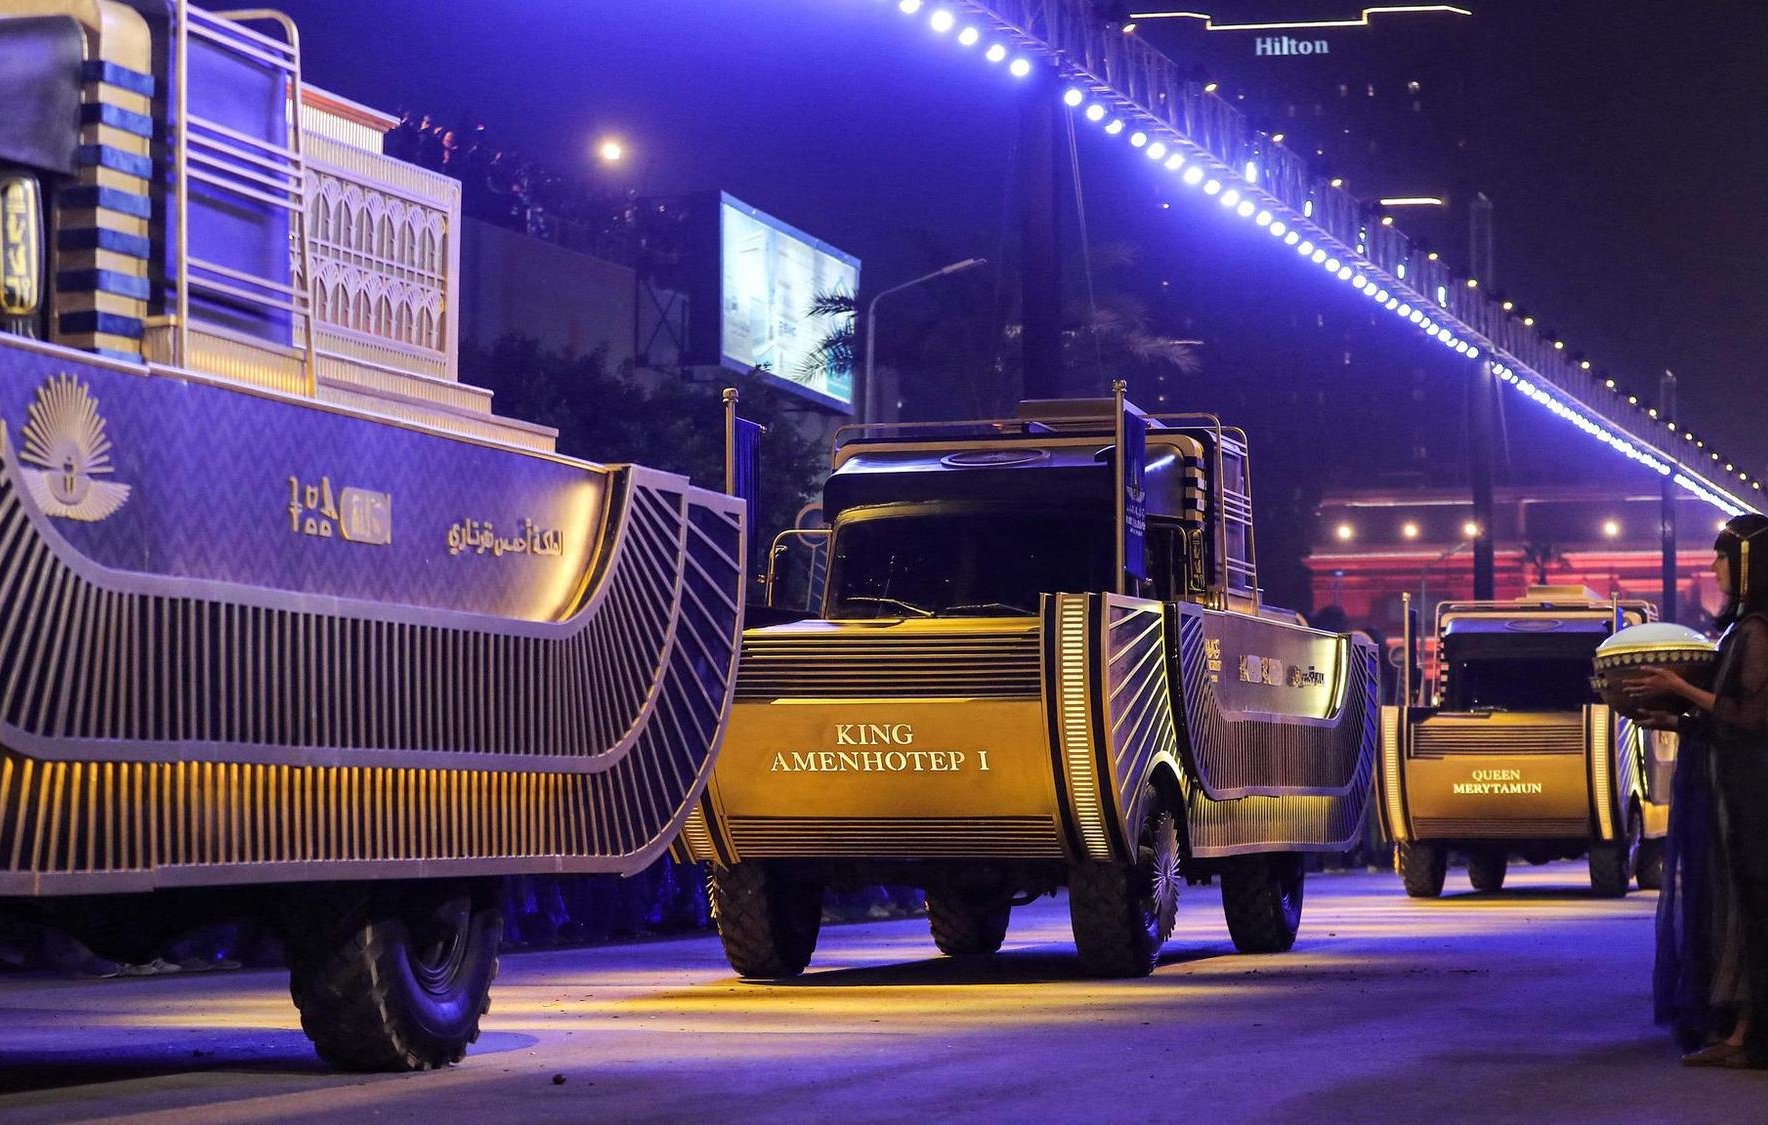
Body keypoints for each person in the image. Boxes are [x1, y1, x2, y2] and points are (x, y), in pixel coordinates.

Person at [1629, 513, 1768, 1068]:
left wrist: (1679, 688)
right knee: (1740, 907)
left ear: (1752, 565)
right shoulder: (1743, 627)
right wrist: (1673, 719)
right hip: (1736, 788)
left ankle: (1750, 1038)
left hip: (1754, 796)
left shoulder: (1759, 630)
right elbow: (1726, 719)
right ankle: (1741, 1031)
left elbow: (1755, 717)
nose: (1713, 567)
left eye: (1722, 557)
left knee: (1754, 904)